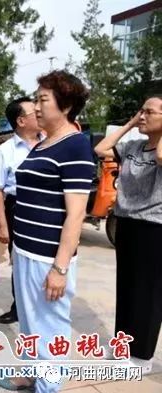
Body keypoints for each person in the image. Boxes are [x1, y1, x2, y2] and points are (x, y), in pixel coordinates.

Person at [0, 70, 93, 393]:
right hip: (26, 250)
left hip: (48, 257)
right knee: (29, 320)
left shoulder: (76, 146)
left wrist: (60, 268)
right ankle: (28, 373)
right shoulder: (42, 145)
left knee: (49, 326)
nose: (35, 106)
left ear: (65, 105)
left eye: (42, 100)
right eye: (35, 99)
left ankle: (47, 392)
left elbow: (77, 213)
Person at [94, 95, 162, 374]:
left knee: (149, 292)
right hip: (126, 222)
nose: (142, 116)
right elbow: (101, 149)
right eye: (140, 111)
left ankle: (143, 356)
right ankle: (124, 344)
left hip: (155, 227)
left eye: (149, 112)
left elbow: (160, 157)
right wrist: (131, 123)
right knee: (127, 286)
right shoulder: (133, 145)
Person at [0, 97, 43, 324]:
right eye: (34, 112)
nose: (40, 113)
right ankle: (19, 307)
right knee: (20, 260)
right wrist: (3, 225)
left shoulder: (51, 144)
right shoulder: (5, 151)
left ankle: (44, 307)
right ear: (21, 121)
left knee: (46, 260)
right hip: (18, 208)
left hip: (46, 207)